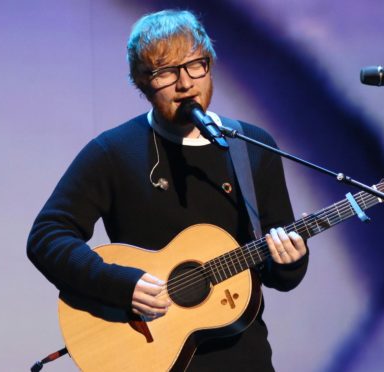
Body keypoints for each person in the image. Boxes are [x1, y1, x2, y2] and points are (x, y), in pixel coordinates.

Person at [27, 9, 308, 371]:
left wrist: (291, 261)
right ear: (140, 82)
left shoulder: (252, 146)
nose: (185, 83)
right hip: (149, 356)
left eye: (196, 65)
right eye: (165, 72)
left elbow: (278, 272)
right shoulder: (113, 152)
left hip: (244, 359)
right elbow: (47, 236)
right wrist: (120, 284)